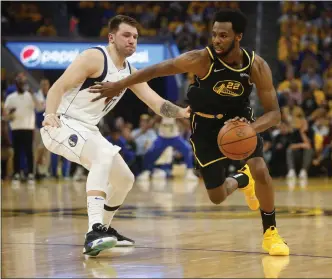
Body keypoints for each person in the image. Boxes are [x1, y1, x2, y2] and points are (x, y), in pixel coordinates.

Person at [89, 9, 289, 256]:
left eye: (223, 35)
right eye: (214, 34)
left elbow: (275, 114)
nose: (216, 40)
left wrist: (250, 128)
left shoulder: (256, 65)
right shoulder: (201, 59)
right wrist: (119, 84)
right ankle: (241, 179)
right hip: (204, 127)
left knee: (261, 169)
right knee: (216, 196)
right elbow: (157, 70)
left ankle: (271, 234)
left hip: (239, 124)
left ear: (238, 36)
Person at [40, 15, 190, 257]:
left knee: (125, 179)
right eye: (126, 35)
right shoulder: (94, 57)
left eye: (135, 37)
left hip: (88, 129)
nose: (132, 41)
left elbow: (156, 103)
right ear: (112, 37)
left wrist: (183, 112)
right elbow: (58, 87)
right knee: (101, 156)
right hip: (61, 123)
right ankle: (94, 231)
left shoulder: (130, 72)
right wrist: (49, 114)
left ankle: (104, 230)